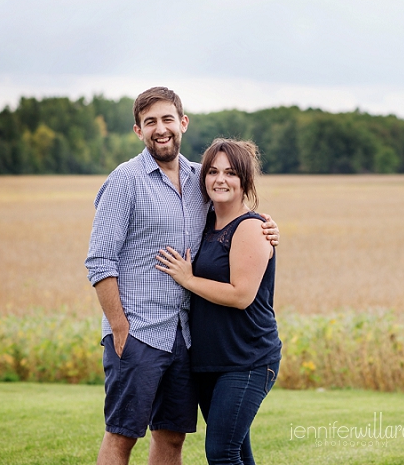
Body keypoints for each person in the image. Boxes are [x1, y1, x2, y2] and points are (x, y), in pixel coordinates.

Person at [85, 88, 279, 465]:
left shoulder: (200, 180)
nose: (161, 129)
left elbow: (234, 219)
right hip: (139, 332)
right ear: (138, 130)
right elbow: (100, 260)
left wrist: (267, 226)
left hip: (184, 339)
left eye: (167, 119)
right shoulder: (125, 181)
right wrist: (119, 327)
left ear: (183, 123)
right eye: (150, 122)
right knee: (121, 436)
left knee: (172, 438)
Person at [156, 139, 282, 465]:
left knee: (221, 453)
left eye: (230, 173)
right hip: (210, 361)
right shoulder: (207, 224)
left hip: (248, 359)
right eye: (212, 171)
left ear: (245, 181)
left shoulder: (252, 228)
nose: (220, 179)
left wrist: (188, 279)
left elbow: (242, 296)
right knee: (237, 452)